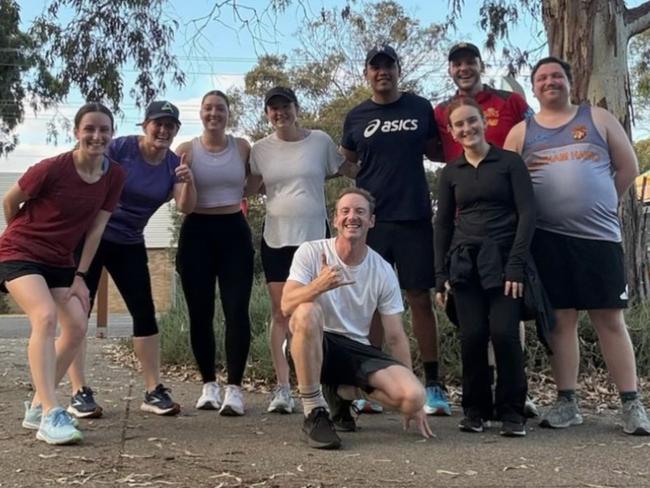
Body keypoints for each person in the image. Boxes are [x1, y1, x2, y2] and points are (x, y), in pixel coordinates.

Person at [504, 56, 650, 435]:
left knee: (610, 320)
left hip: (599, 239)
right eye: (541, 78)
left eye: (556, 76)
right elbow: (508, 185)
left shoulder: (597, 119)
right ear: (533, 88)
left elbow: (628, 168)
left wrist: (601, 202)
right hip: (546, 242)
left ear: (570, 82)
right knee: (561, 323)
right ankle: (567, 402)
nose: (549, 82)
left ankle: (631, 405)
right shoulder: (522, 132)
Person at [0, 102, 125, 444]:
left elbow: (96, 229)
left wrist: (81, 276)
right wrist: (27, 237)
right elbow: (10, 202)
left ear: (111, 134)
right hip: (19, 252)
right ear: (76, 132)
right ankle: (52, 413)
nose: (96, 136)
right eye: (89, 129)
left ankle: (38, 405)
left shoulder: (114, 175)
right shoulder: (52, 168)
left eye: (104, 129)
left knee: (76, 325)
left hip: (61, 261)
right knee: (44, 317)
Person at [66, 101, 196, 419]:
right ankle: (78, 391)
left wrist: (187, 180)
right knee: (77, 312)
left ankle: (153, 390)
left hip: (129, 243)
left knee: (145, 314)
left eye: (170, 125)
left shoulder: (173, 165)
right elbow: (84, 169)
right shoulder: (122, 148)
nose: (163, 130)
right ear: (145, 125)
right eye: (157, 123)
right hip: (89, 238)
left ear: (176, 130)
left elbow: (185, 207)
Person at [340, 44, 450, 416]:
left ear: (398, 70)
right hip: (374, 222)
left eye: (388, 66)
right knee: (368, 302)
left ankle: (433, 384)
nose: (382, 72)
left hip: (415, 217)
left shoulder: (420, 108)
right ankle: (369, 384)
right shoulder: (356, 116)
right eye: (375, 67)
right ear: (367, 73)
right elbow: (350, 161)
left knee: (419, 298)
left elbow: (438, 150)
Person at [281, 187, 433, 449]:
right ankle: (314, 410)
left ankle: (343, 392)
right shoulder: (311, 251)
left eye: (360, 211)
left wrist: (415, 401)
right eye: (345, 211)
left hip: (357, 350)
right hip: (316, 341)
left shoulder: (382, 270)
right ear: (336, 219)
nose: (353, 217)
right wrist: (319, 285)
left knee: (413, 396)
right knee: (307, 311)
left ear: (371, 221)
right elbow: (286, 305)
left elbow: (395, 336)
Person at [434, 41, 538, 418]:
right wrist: (440, 275)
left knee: (506, 336)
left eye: (472, 121)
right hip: (464, 263)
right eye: (459, 124)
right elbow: (443, 223)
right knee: (472, 336)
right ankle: (476, 410)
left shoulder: (509, 163)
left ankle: (511, 409)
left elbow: (527, 214)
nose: (467, 128)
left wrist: (516, 265)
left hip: (504, 262)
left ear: (483, 121)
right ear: (452, 131)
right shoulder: (451, 172)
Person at [247, 86, 348, 414]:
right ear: (267, 114)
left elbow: (346, 168)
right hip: (276, 238)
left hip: (315, 239)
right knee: (281, 313)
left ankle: (322, 387)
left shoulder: (319, 142)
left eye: (285, 106)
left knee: (316, 314)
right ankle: (282, 388)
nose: (280, 113)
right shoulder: (260, 150)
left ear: (296, 107)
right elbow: (247, 186)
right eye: (273, 108)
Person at [175, 90, 254, 416]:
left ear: (227, 113)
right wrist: (190, 181)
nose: (214, 114)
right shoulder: (185, 151)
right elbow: (183, 206)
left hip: (234, 231)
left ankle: (234, 388)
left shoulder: (242, 147)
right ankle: (209, 384)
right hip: (197, 232)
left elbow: (252, 185)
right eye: (208, 108)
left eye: (220, 109)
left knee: (237, 311)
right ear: (201, 113)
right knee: (200, 312)